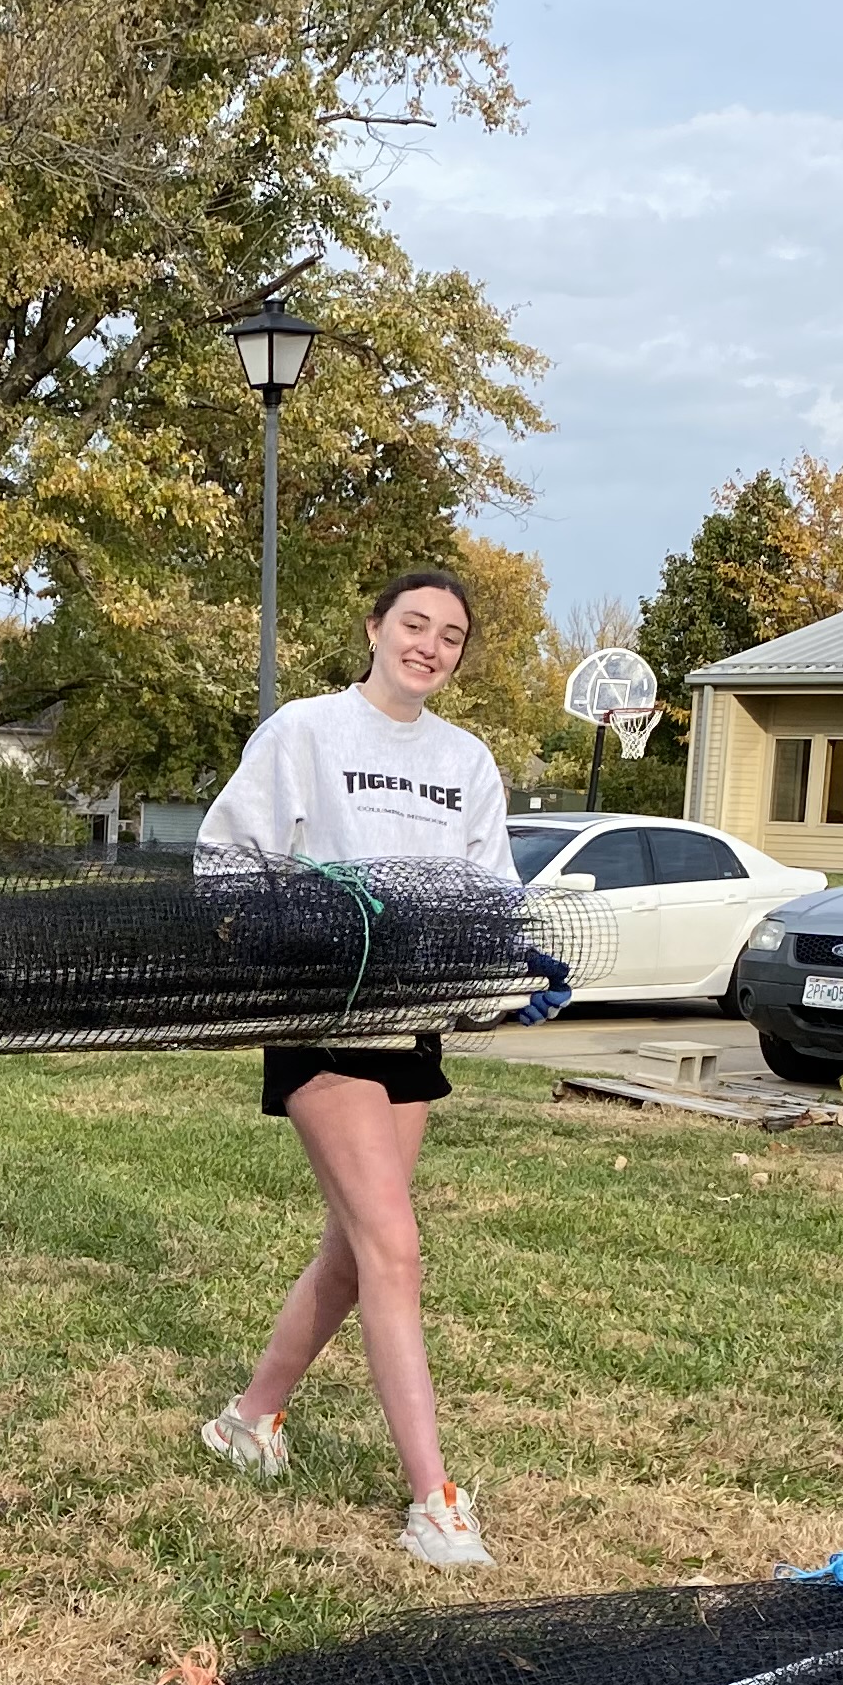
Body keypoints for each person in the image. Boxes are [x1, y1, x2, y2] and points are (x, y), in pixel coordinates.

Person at [193, 570, 514, 1570]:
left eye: (450, 636)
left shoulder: (467, 760)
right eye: (413, 624)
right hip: (321, 1018)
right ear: (374, 626)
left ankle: (251, 1419)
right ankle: (434, 1498)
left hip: (408, 1026)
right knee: (394, 1243)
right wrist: (293, 928)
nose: (429, 645)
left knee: (354, 1252)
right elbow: (222, 856)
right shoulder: (306, 732)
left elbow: (491, 891)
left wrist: (498, 969)